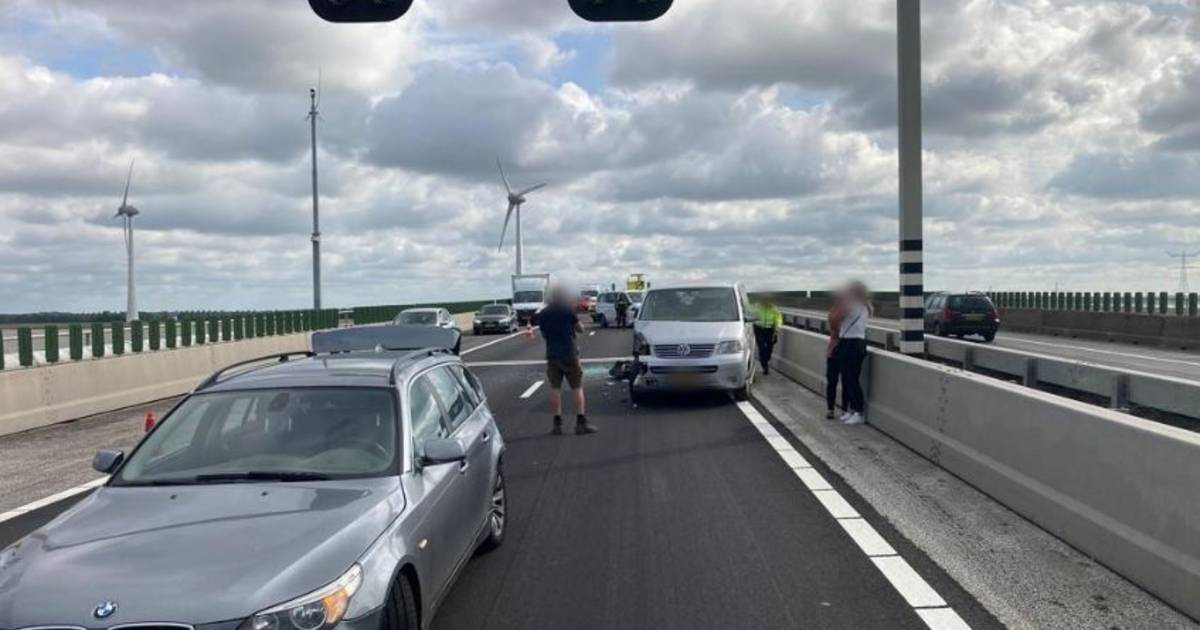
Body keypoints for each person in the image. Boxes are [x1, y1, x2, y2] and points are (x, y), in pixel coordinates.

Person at [534, 287, 597, 435]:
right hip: (570, 354)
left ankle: (557, 425)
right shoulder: (568, 311)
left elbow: (544, 334)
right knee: (577, 387)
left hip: (552, 355)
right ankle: (581, 423)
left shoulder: (543, 314)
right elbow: (580, 329)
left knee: (555, 389)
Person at [828, 281, 870, 425]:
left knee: (851, 379)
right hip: (857, 343)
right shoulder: (864, 307)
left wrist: (839, 302)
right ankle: (852, 410)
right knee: (849, 378)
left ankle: (858, 411)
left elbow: (833, 320)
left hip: (850, 343)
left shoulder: (851, 305)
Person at [824, 290, 849, 419]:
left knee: (841, 382)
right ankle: (833, 409)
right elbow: (834, 326)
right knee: (835, 382)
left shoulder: (836, 311)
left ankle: (838, 409)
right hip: (837, 350)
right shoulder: (837, 312)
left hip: (837, 350)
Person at [752, 300, 783, 374]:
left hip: (770, 329)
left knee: (770, 347)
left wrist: (777, 328)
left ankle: (766, 359)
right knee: (762, 347)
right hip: (759, 329)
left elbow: (778, 318)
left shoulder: (774, 308)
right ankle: (764, 366)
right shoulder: (757, 306)